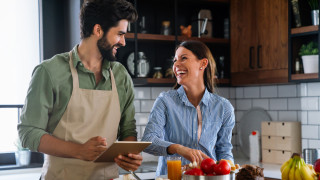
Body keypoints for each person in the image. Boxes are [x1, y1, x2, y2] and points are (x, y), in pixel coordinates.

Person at [18, 0, 142, 179]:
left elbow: (128, 130)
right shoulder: (50, 72)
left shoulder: (121, 75)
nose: (123, 42)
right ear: (98, 30)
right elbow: (28, 132)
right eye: (120, 34)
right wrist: (79, 151)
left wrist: (129, 155)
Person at [141, 40, 235, 176]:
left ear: (203, 64)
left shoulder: (223, 107)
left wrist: (228, 174)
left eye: (183, 58)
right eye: (174, 60)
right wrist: (178, 148)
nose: (176, 65)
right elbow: (148, 141)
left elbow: (224, 151)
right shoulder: (165, 101)